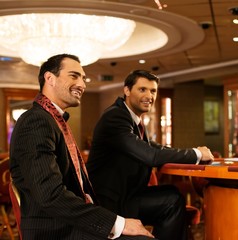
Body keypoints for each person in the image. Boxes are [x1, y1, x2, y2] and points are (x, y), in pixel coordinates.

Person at [9, 54, 155, 240]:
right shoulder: (36, 121)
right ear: (49, 78)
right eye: (74, 76)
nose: (82, 84)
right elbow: (50, 195)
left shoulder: (52, 120)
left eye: (83, 78)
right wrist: (117, 223)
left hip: (71, 222)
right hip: (55, 230)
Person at [86, 70, 215, 240]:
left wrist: (194, 153)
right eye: (142, 89)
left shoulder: (134, 119)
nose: (149, 96)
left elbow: (158, 149)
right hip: (109, 203)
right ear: (127, 90)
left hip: (126, 196)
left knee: (172, 193)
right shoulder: (115, 116)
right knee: (172, 201)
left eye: (153, 91)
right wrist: (197, 153)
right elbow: (151, 156)